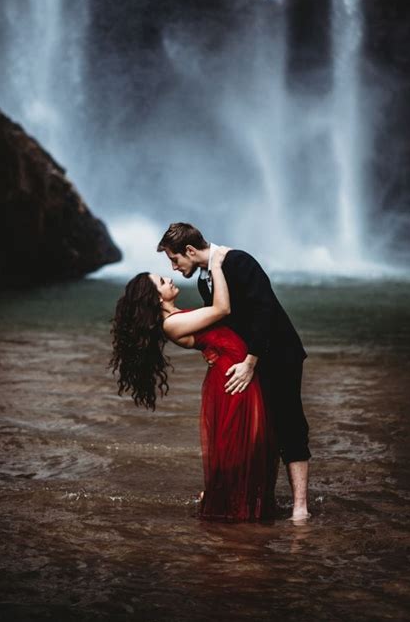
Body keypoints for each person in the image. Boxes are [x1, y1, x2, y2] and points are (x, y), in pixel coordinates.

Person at [110, 247, 278, 522]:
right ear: (155, 298)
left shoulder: (177, 316)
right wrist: (215, 263)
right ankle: (233, 512)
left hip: (234, 374)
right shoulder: (172, 323)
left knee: (251, 444)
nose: (170, 279)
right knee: (239, 447)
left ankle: (238, 506)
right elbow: (222, 309)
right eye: (162, 282)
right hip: (232, 380)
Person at [157, 223, 311, 521]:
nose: (175, 268)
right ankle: (254, 498)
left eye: (175, 260)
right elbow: (221, 324)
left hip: (278, 355)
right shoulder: (205, 280)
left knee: (290, 423)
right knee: (264, 431)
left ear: (189, 251)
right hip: (247, 361)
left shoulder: (238, 261)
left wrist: (251, 361)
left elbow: (264, 309)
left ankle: (300, 508)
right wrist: (216, 352)